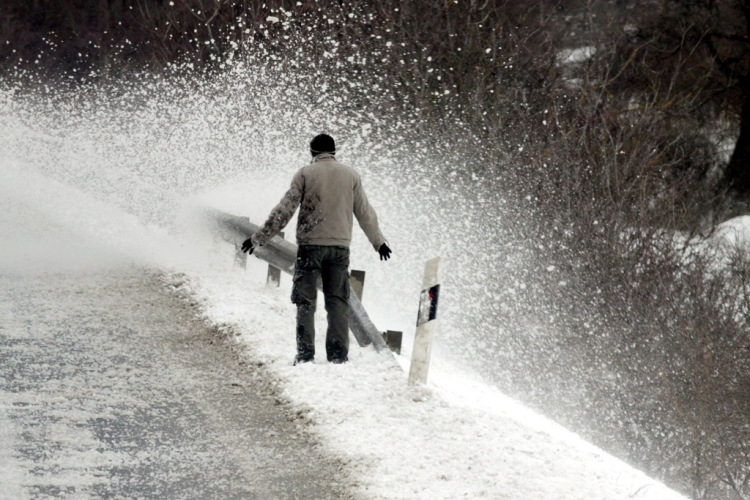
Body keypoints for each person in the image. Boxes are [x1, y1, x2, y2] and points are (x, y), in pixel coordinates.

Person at [241, 134, 391, 365]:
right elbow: (364, 212)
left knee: (305, 302)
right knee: (338, 303)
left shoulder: (305, 174)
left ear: (312, 152)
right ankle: (338, 357)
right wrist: (378, 242)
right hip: (340, 248)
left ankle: (305, 355)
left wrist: (258, 238)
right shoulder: (351, 175)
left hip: (310, 247)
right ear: (334, 151)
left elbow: (284, 211)